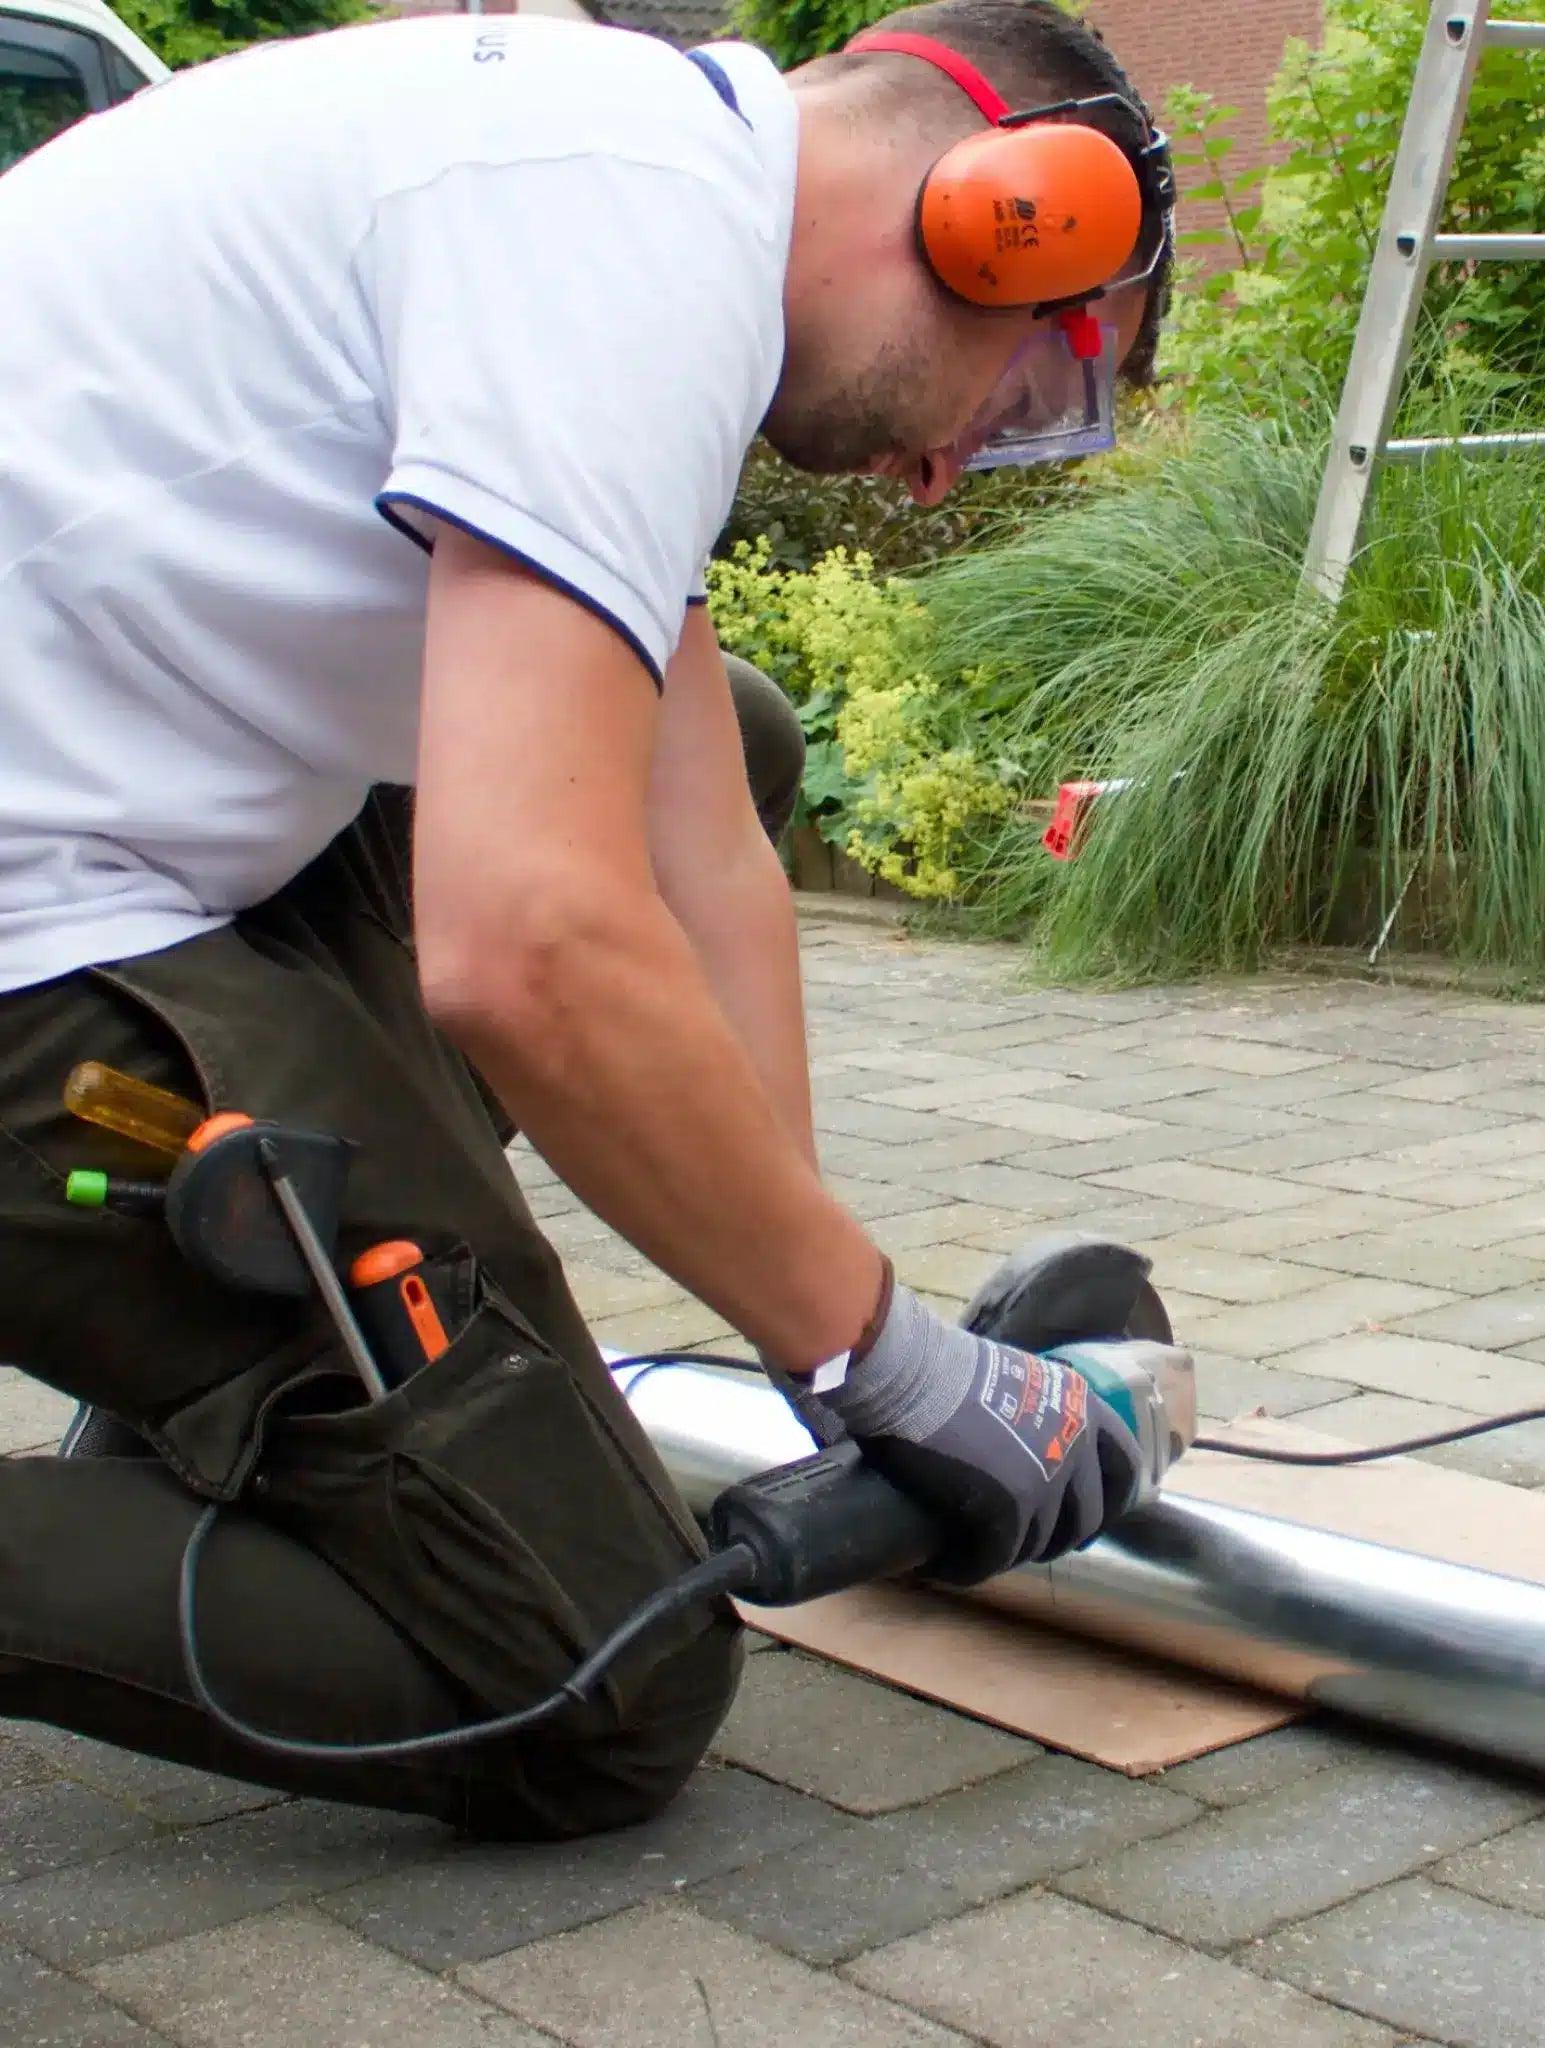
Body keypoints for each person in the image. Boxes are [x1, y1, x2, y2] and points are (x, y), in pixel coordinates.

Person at [0, 0, 1174, 1837]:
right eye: (1017, 396)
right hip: (30, 953)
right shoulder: (625, 233)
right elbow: (527, 944)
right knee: (593, 1671)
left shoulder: (620, 177)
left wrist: (833, 1360)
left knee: (740, 736)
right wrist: (901, 1362)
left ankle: (246, 1387)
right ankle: (291, 1392)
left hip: (120, 838)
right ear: (1001, 218)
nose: (948, 471)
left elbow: (702, 861)